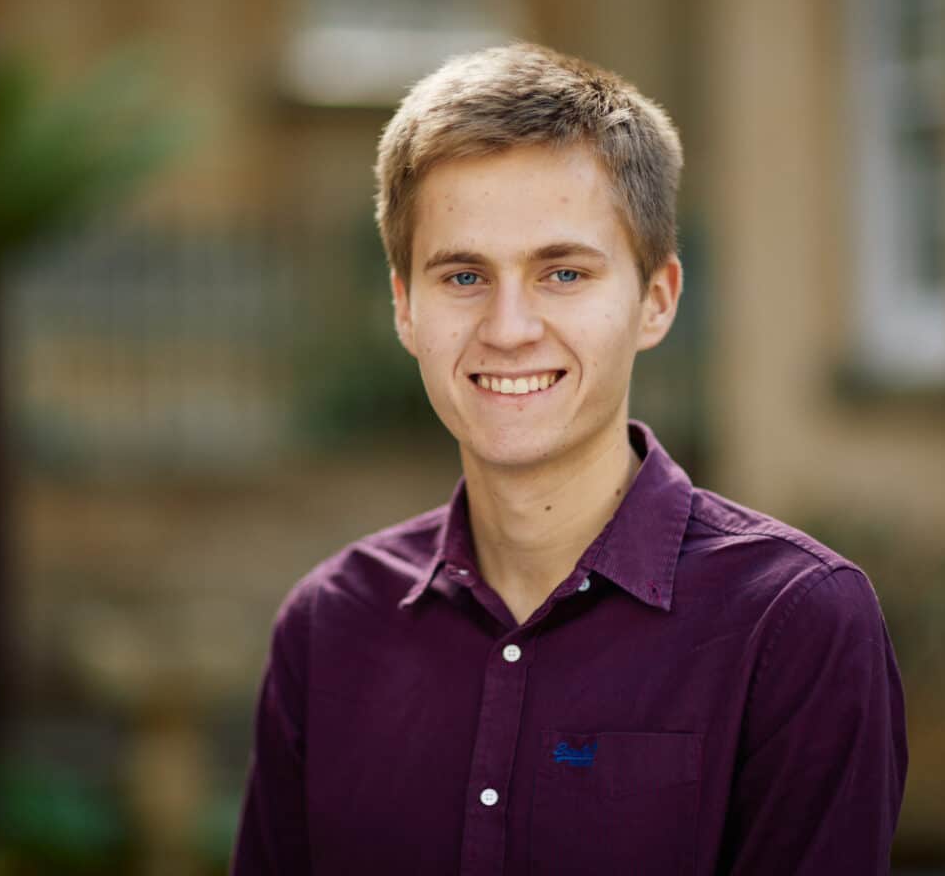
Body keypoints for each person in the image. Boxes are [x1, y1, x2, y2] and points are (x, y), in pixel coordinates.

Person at [232, 42, 906, 875]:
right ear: (405, 307)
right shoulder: (328, 626)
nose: (510, 328)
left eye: (562, 273)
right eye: (464, 277)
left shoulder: (794, 624)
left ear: (654, 300)